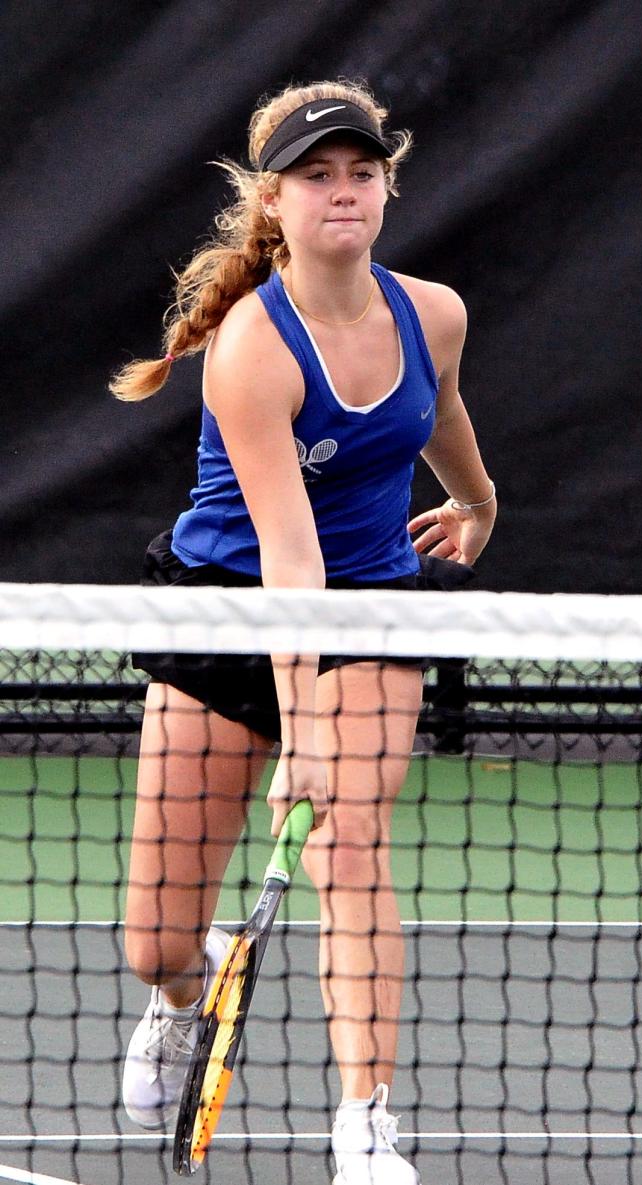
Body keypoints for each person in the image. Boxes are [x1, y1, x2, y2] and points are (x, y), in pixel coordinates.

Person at [109, 79, 496, 1185]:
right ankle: (186, 992)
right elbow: (287, 561)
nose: (344, 191)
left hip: (371, 599)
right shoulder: (251, 350)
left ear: (387, 185)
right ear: (272, 201)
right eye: (317, 175)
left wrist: (476, 501)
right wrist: (306, 726)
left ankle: (364, 1127)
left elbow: (445, 409)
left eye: (361, 171)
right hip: (237, 607)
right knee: (155, 941)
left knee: (350, 845)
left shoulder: (433, 311)